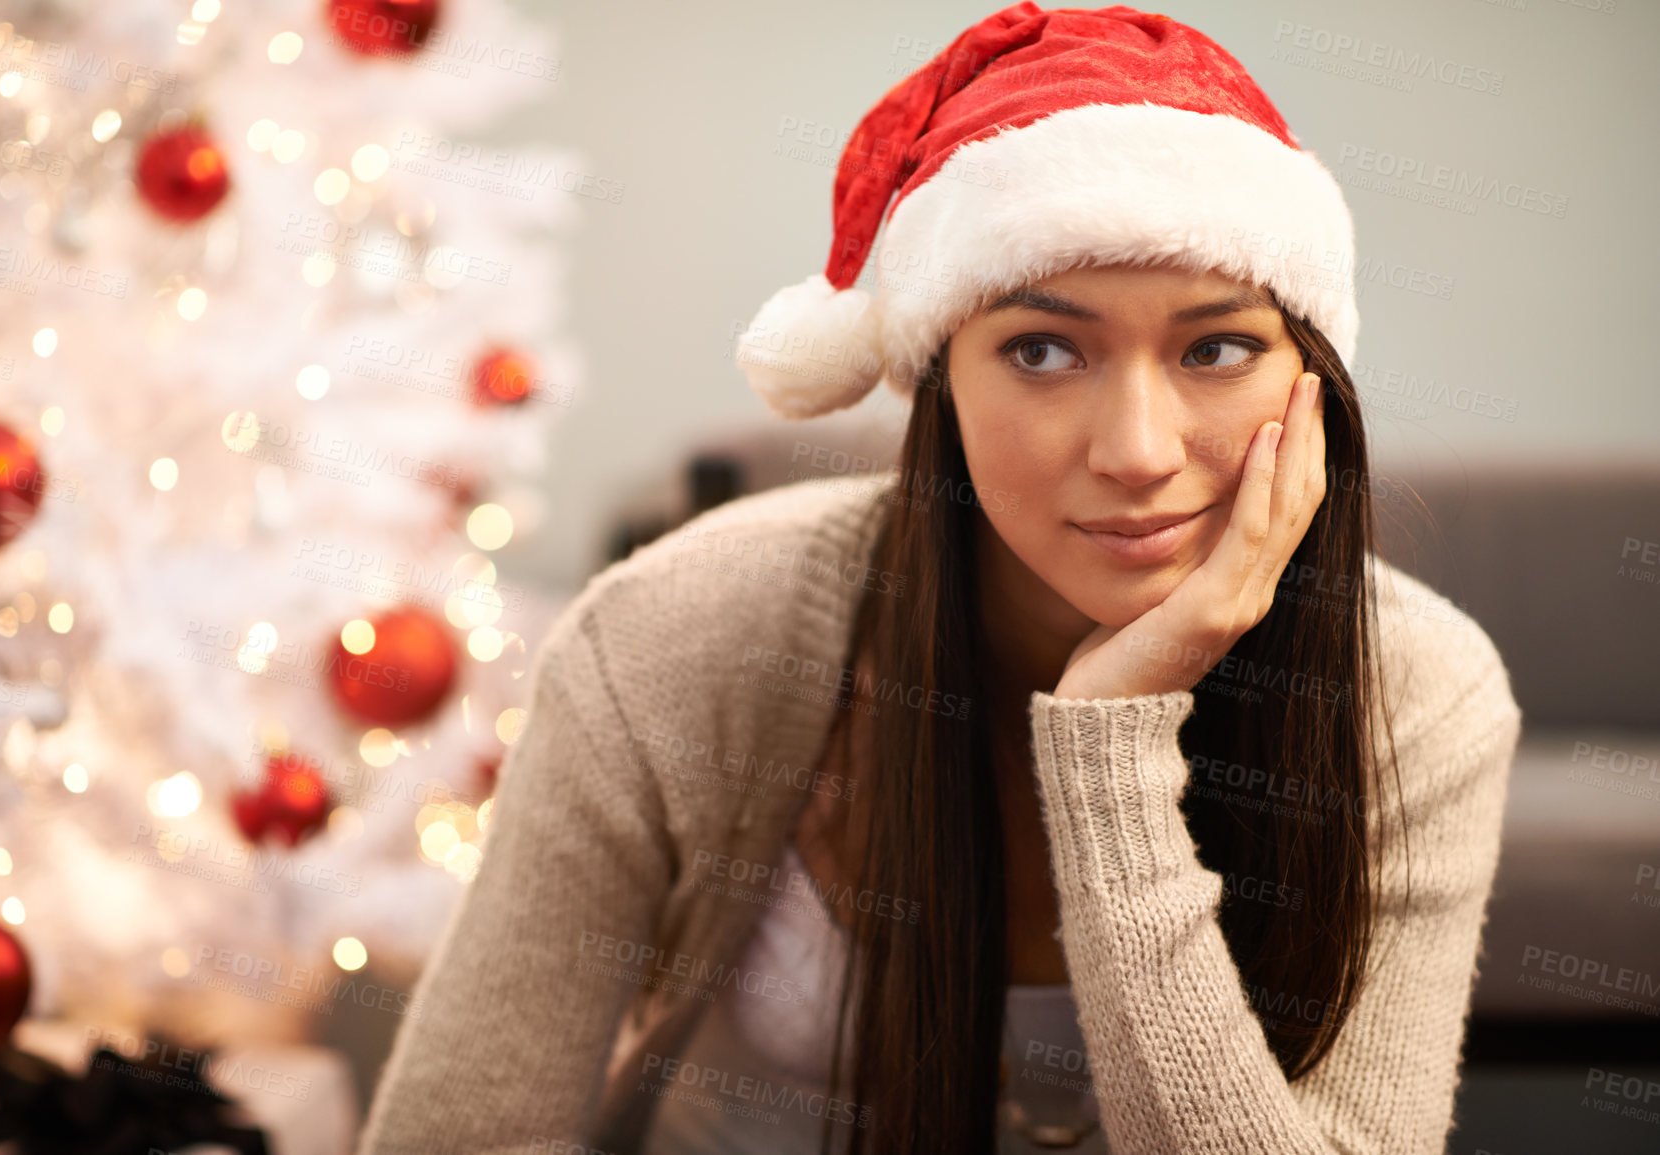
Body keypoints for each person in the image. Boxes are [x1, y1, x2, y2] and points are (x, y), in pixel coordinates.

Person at [356, 5, 1522, 1154]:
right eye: (1042, 349)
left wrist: (1111, 746)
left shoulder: (1418, 692)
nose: (1137, 450)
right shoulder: (676, 632)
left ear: (1309, 385)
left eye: (1215, 348)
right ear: (939, 390)